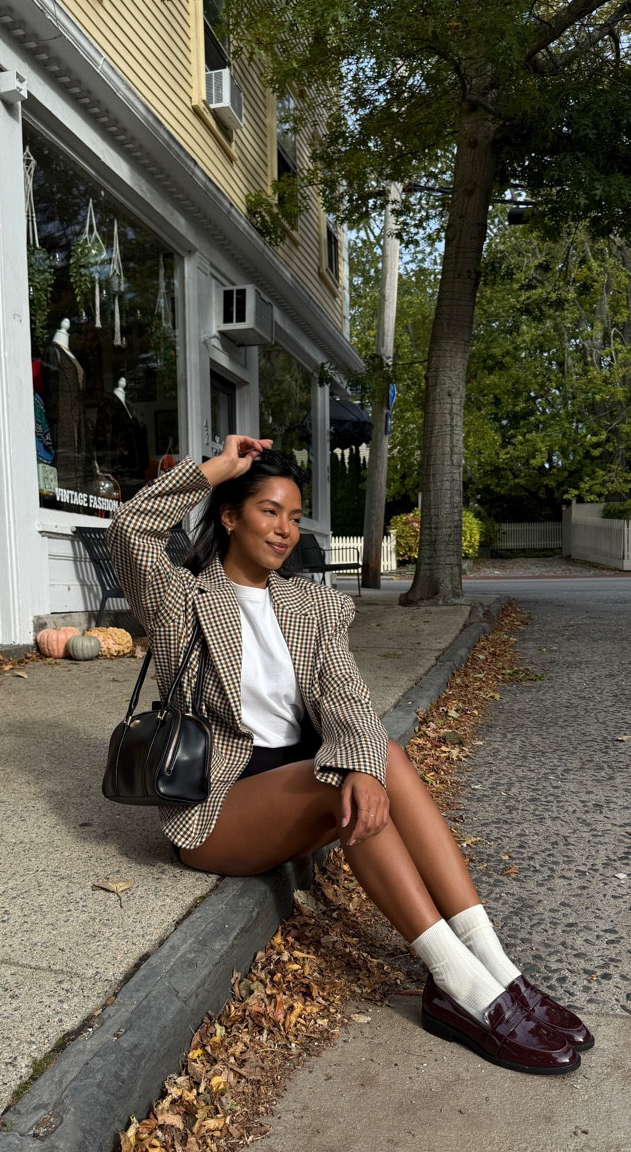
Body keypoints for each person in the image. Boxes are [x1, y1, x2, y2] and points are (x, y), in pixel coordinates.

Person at [108, 434, 593, 1075]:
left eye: (293, 515)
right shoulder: (182, 601)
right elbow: (129, 528)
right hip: (219, 805)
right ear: (229, 516)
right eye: (268, 511)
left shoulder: (309, 605)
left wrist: (363, 764)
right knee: (345, 781)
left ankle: (493, 966)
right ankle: (460, 986)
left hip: (294, 785)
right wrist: (214, 470)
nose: (285, 530)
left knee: (378, 754)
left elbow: (349, 698)